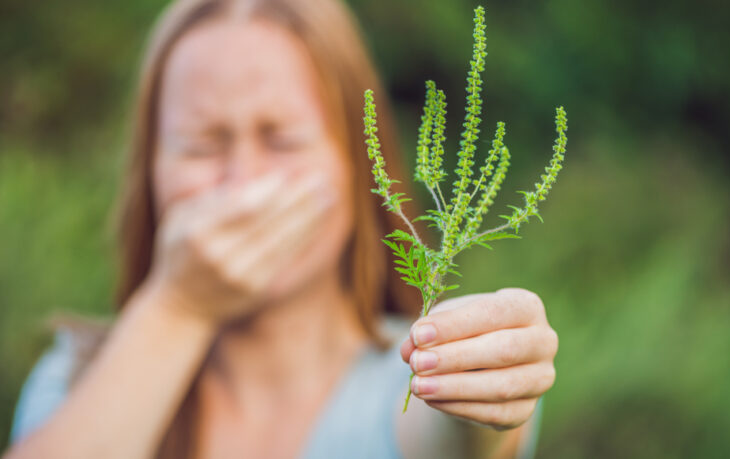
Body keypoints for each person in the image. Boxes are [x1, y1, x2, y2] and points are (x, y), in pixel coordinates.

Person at [4, 0, 558, 457]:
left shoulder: (399, 378)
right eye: (202, 144)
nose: (244, 184)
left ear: (359, 164)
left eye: (283, 140)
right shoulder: (77, 381)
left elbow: (454, 439)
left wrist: (481, 390)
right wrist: (179, 307)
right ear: (150, 171)